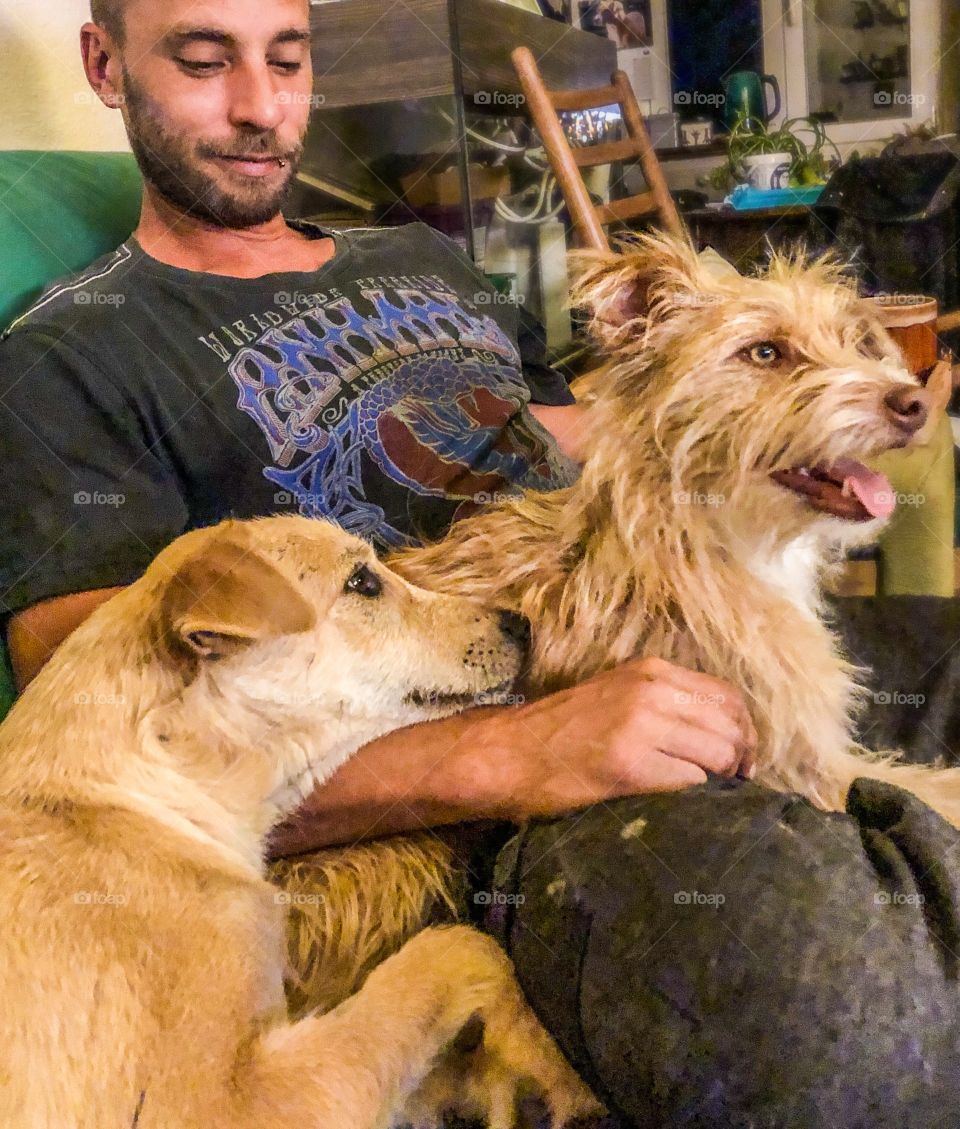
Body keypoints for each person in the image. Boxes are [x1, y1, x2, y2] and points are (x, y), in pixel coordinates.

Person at [0, 0, 755, 860]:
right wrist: (518, 751)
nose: (261, 108)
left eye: (288, 62)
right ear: (105, 67)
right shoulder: (70, 361)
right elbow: (92, 753)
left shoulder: (421, 255)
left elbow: (549, 430)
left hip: (686, 627)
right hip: (514, 803)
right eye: (206, 63)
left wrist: (763, 424)